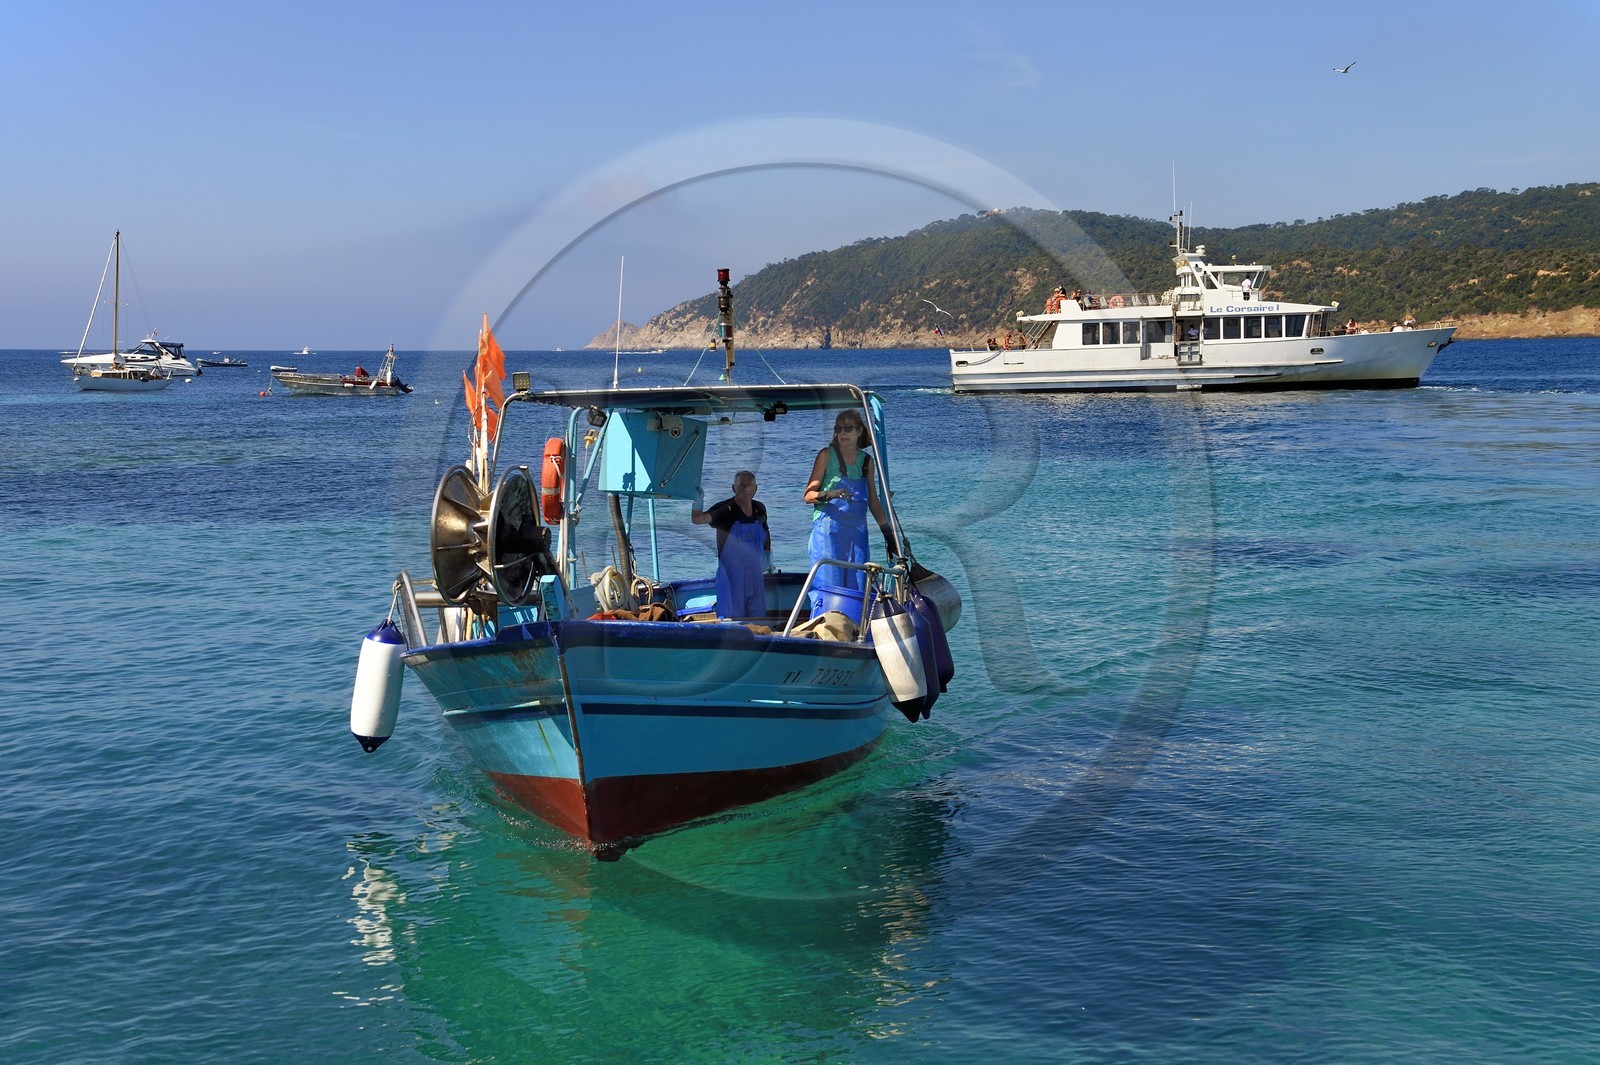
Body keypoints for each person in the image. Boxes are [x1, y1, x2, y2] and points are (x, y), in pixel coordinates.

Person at [804, 411, 894, 618]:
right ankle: (824, 628)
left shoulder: (866, 462)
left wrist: (888, 535)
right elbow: (808, 495)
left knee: (858, 588)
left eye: (848, 428)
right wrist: (829, 494)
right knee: (829, 586)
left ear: (859, 431)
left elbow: (873, 501)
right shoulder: (826, 456)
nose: (842, 433)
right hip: (828, 531)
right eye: (839, 428)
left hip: (857, 534)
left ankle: (855, 633)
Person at [692, 470, 771, 619]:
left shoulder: (760, 508)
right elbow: (698, 519)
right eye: (741, 486)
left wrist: (768, 556)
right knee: (732, 620)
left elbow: (766, 532)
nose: (746, 489)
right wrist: (698, 500)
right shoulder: (724, 510)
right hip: (731, 576)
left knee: (758, 619)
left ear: (756, 488)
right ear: (734, 488)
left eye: (749, 485)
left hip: (755, 575)